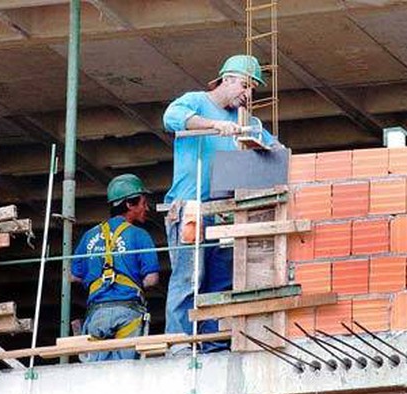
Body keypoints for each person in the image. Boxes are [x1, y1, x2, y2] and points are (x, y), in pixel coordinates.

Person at [162, 54, 280, 354]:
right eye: (245, 84)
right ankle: (179, 344)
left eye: (253, 88)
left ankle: (211, 344)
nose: (248, 94)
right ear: (226, 79)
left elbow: (275, 150)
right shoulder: (196, 102)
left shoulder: (248, 121)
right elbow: (171, 117)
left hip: (226, 213)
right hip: (191, 207)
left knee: (220, 281)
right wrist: (214, 125)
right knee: (190, 277)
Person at [72, 173, 160, 361]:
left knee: (96, 371)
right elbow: (151, 279)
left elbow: (73, 276)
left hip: (97, 314)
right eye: (143, 203)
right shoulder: (140, 235)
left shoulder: (89, 235)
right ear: (129, 204)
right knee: (126, 372)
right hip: (128, 312)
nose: (147, 208)